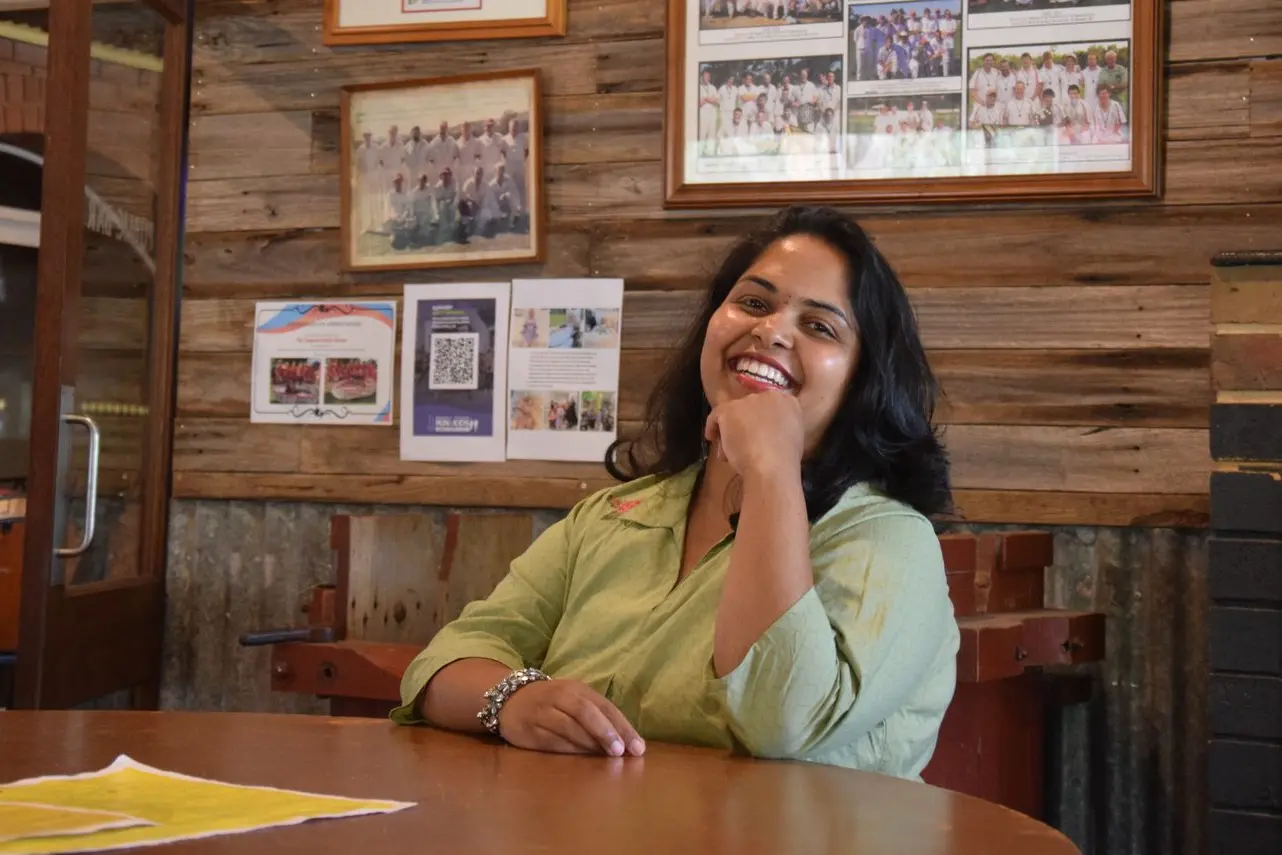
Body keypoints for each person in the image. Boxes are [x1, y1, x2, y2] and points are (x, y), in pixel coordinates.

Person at [391, 206, 958, 781]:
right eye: (754, 303)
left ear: (862, 380)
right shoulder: (611, 517)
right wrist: (510, 701)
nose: (771, 330)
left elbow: (782, 721)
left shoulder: (889, 539)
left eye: (819, 327)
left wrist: (771, 470)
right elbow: (443, 663)